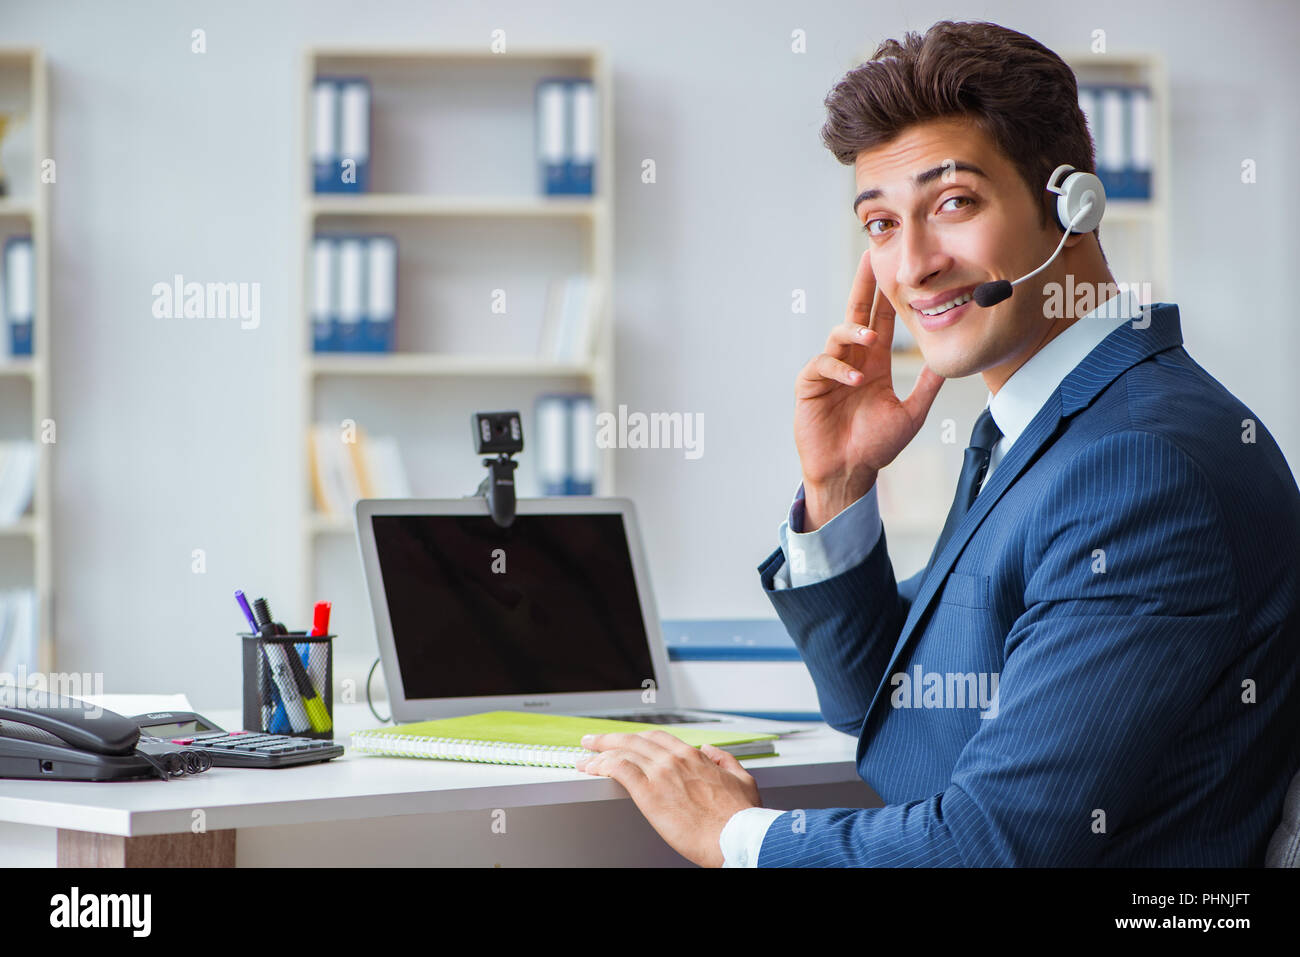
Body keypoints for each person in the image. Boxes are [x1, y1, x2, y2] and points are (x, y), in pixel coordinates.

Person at [576, 19, 1300, 868]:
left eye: (953, 203)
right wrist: (840, 484)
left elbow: (993, 846)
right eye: (880, 223)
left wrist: (731, 836)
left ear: (1072, 205)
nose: (912, 264)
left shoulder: (1138, 464)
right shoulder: (1044, 428)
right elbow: (883, 704)